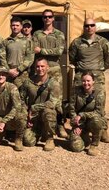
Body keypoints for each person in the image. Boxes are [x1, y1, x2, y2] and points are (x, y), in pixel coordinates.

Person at [69, 18, 109, 142]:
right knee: (78, 102)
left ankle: (102, 130)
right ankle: (79, 126)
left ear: (95, 27)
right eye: (87, 25)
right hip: (80, 76)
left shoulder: (103, 42)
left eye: (92, 25)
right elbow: (72, 58)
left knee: (99, 103)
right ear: (84, 27)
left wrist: (98, 69)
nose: (89, 27)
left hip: (97, 76)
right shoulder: (77, 42)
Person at [32, 9, 67, 138]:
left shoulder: (59, 34)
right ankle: (42, 125)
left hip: (54, 69)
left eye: (49, 17)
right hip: (41, 70)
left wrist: (42, 50)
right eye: (45, 17)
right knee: (41, 96)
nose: (47, 19)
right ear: (42, 19)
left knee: (57, 99)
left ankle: (60, 124)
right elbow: (33, 50)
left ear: (53, 18)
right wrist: (41, 51)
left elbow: (59, 51)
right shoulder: (37, 34)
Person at [20, 58, 60, 151]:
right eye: (37, 66)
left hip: (45, 114)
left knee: (49, 112)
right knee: (28, 141)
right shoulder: (28, 82)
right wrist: (26, 114)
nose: (40, 69)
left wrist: (34, 108)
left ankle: (50, 138)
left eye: (42, 66)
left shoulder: (53, 83)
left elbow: (52, 103)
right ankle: (39, 132)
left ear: (47, 68)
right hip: (33, 117)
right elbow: (21, 100)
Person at [68, 71, 107, 156]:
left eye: (88, 81)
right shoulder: (75, 91)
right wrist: (76, 125)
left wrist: (82, 115)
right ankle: (85, 138)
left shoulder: (99, 93)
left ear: (93, 81)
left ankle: (94, 144)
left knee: (96, 120)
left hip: (92, 121)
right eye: (84, 81)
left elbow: (99, 112)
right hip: (80, 123)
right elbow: (71, 110)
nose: (86, 83)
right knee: (76, 148)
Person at [0, 16, 34, 88]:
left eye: (17, 25)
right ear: (10, 26)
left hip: (22, 75)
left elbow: (30, 58)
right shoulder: (5, 42)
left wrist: (18, 69)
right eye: (13, 25)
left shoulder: (28, 41)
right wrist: (8, 70)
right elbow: (1, 57)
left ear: (21, 27)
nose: (15, 27)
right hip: (8, 75)